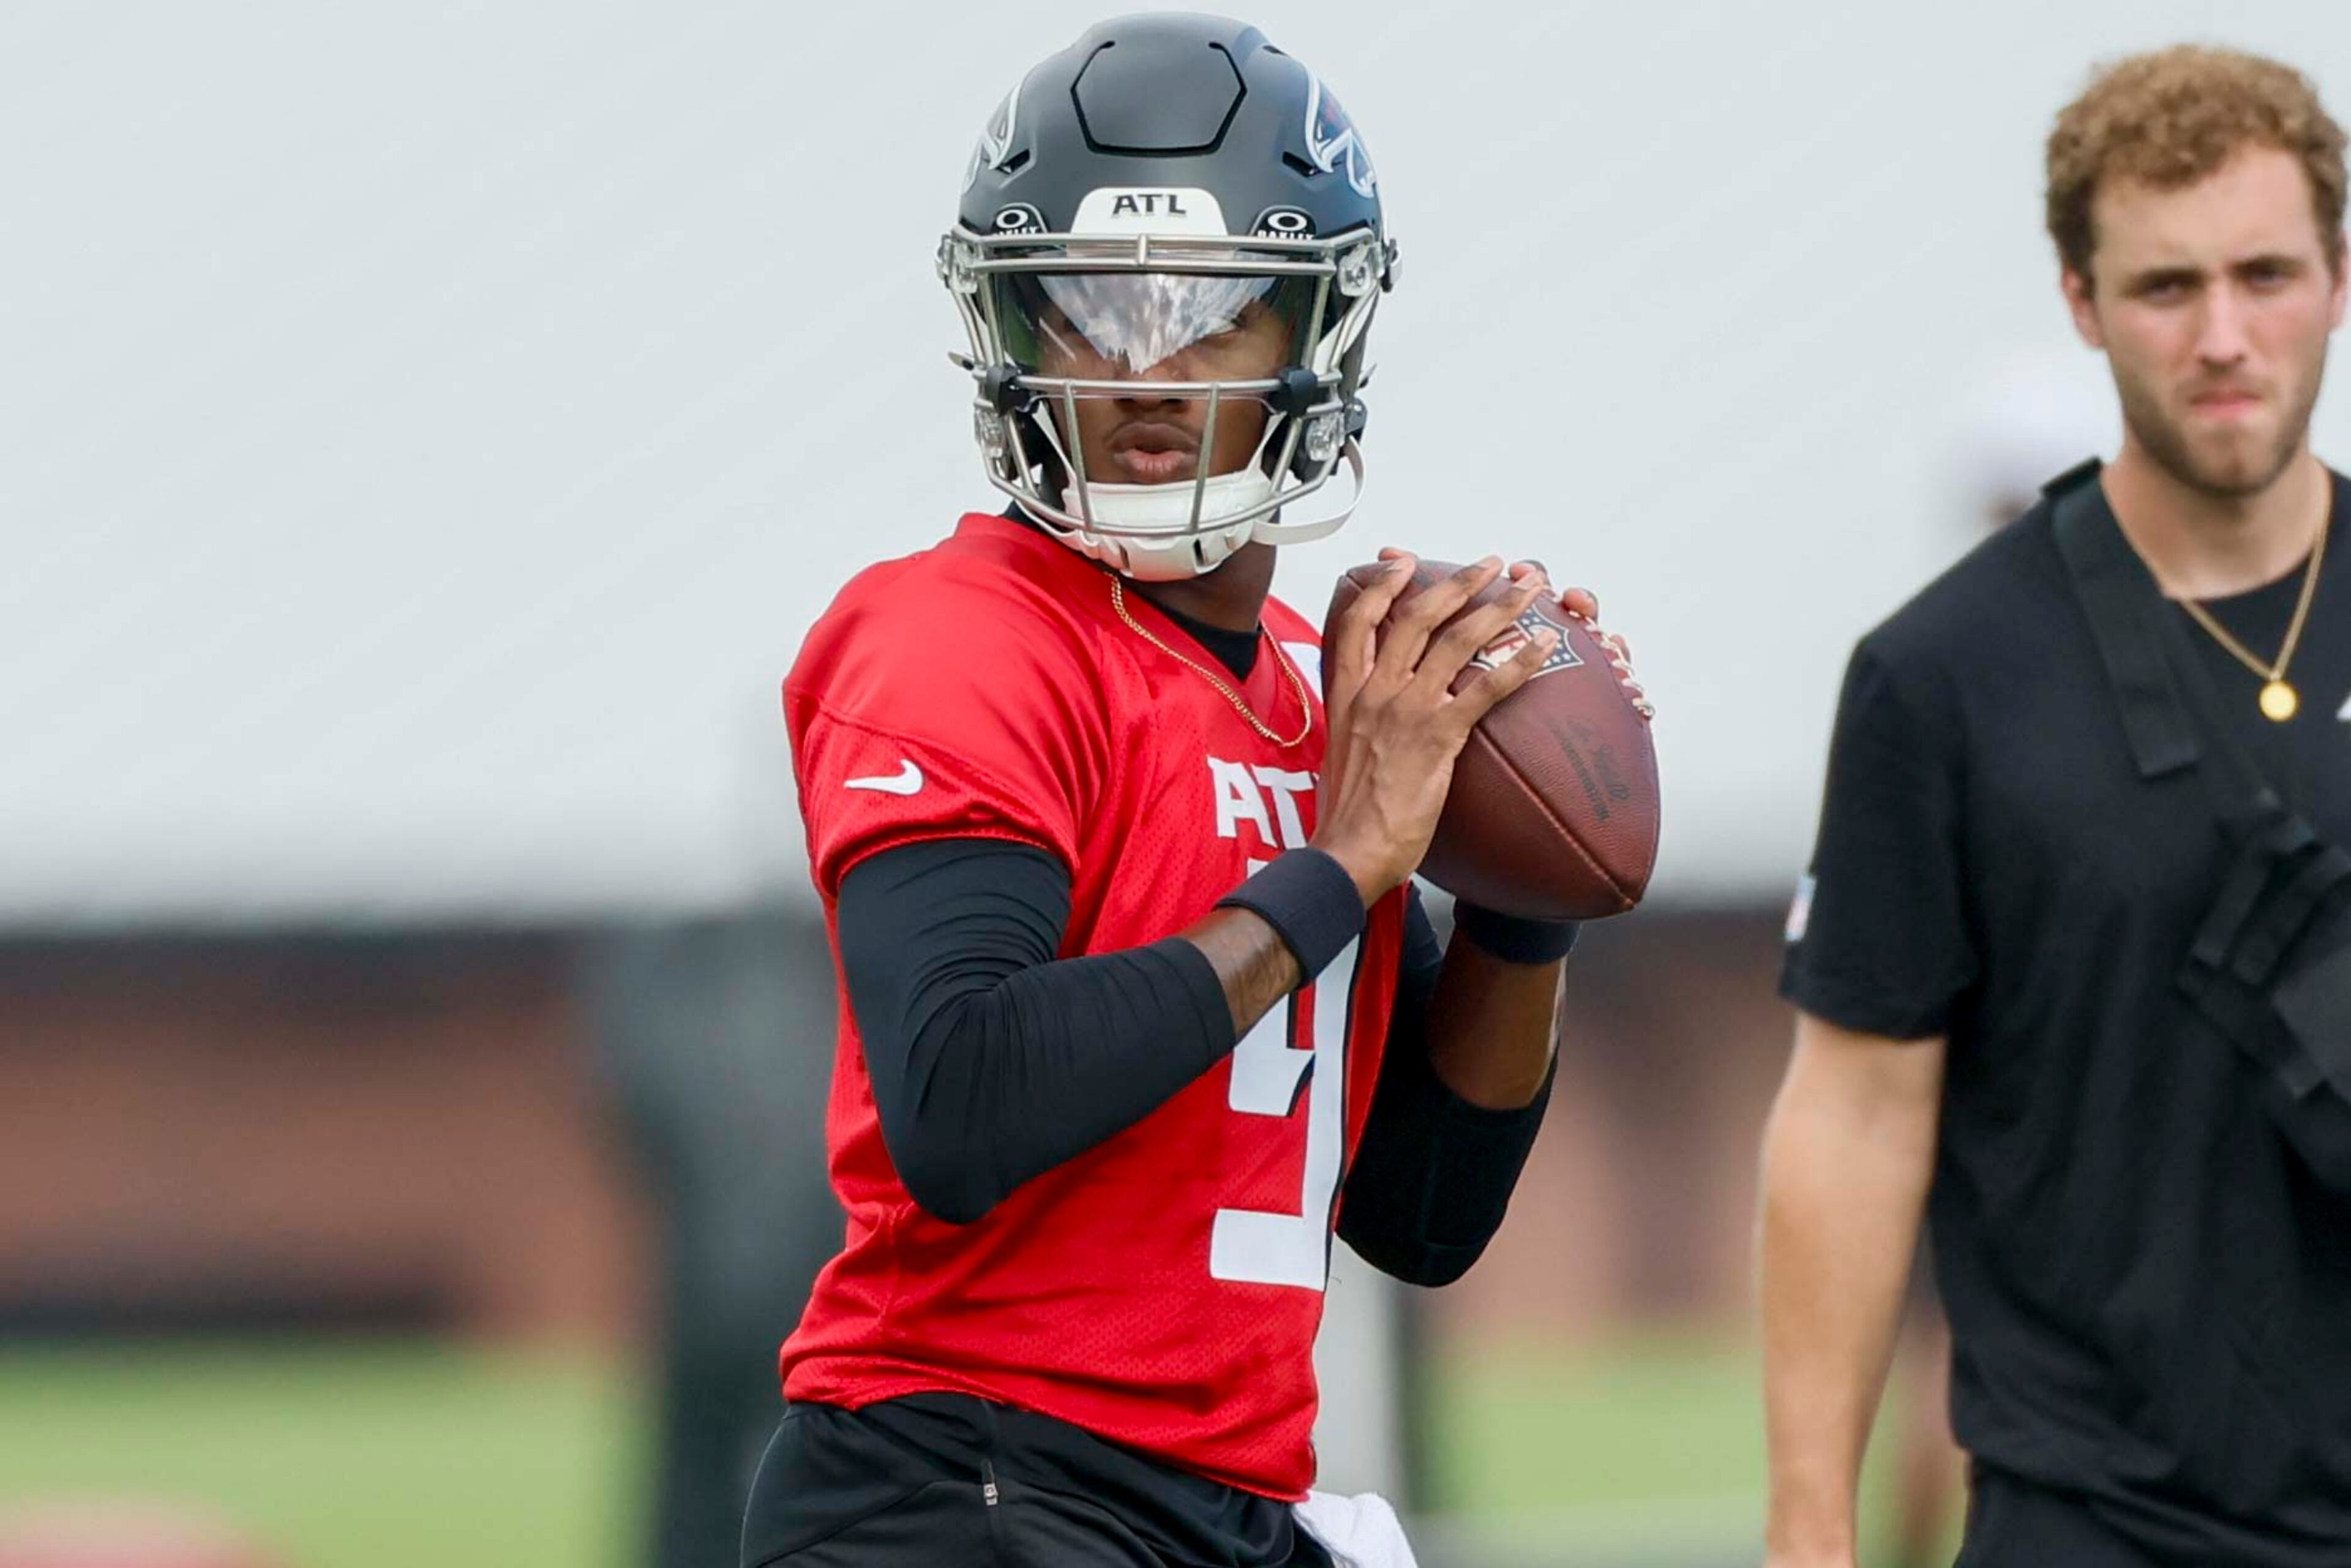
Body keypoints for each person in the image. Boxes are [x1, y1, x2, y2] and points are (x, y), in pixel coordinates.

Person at [740, 17, 1646, 1568]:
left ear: (1320, 334)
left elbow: (1424, 1216)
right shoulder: (958, 636)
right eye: (1088, 311)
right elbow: (959, 1100)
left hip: (1217, 1502)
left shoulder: (1317, 688)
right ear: (1007, 326)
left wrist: (1524, 889)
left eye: (1214, 313)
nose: (1143, 371)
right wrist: (1339, 866)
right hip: (967, 1485)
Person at [1762, 44, 2351, 1568]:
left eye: (2266, 275)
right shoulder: (1940, 677)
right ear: (2083, 301)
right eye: (2165, 287)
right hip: (2090, 1519)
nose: (2223, 336)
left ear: (2339, 278)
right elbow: (1853, 1117)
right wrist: (1811, 1526)